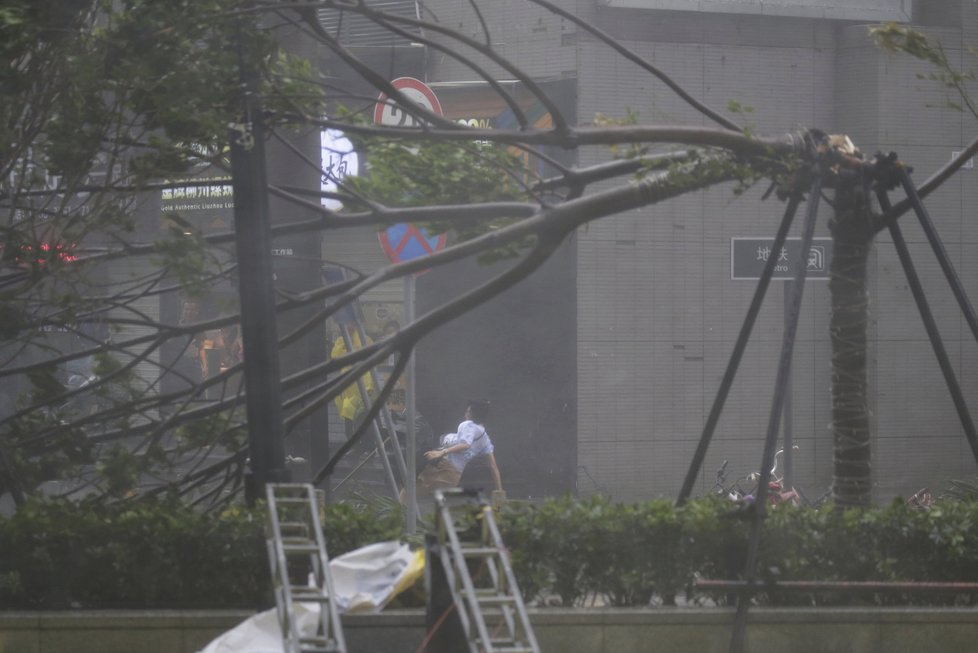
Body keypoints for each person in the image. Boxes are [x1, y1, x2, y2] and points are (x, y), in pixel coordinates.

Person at [403, 400, 503, 502]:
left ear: (474, 414)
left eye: (468, 411)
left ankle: (400, 515)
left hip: (443, 468)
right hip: (453, 476)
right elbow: (493, 466)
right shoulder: (485, 439)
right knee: (415, 495)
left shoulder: (468, 425)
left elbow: (465, 445)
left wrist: (441, 452)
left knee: (406, 493)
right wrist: (499, 491)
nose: (465, 414)